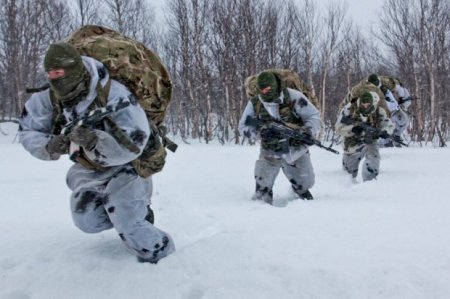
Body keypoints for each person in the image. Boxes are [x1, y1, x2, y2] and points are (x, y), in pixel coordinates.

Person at [19, 42, 175, 263]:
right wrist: (50, 145)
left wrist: (95, 140)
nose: (55, 79)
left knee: (131, 224)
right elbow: (28, 129)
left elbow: (135, 144)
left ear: (74, 70)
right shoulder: (50, 97)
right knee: (86, 220)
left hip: (129, 166)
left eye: (60, 73)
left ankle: (163, 255)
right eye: (50, 74)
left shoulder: (115, 94)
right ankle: (128, 216)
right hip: (89, 168)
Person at [239, 71, 321, 204]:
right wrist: (260, 133)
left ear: (275, 86)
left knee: (307, 183)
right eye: (261, 89)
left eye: (268, 89)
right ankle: (263, 201)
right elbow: (243, 126)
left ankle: (298, 188)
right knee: (261, 194)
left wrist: (308, 132)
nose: (265, 92)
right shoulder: (255, 103)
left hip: (295, 148)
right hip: (270, 150)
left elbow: (313, 116)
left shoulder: (293, 97)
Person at [335, 91, 394, 182]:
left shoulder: (378, 111)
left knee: (373, 156)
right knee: (349, 172)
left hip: (370, 141)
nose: (365, 107)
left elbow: (388, 124)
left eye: (368, 104)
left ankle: (370, 182)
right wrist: (352, 129)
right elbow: (338, 128)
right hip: (352, 141)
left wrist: (385, 132)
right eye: (363, 104)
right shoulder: (349, 110)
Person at [368, 74, 410, 147]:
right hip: (377, 114)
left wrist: (388, 103)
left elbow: (394, 103)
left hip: (391, 111)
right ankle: (384, 142)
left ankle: (396, 136)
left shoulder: (384, 89)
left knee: (404, 120)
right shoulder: (366, 92)